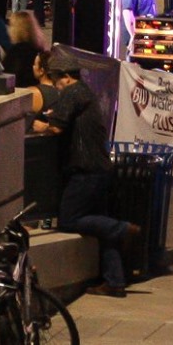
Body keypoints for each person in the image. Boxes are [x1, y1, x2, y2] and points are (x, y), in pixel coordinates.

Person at [30, 51, 129, 296]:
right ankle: (115, 281)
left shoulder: (73, 92)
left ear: (65, 77)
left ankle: (121, 228)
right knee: (101, 228)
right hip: (101, 168)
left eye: (56, 79)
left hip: (85, 170)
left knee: (70, 219)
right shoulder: (85, 92)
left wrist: (35, 123)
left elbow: (54, 127)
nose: (55, 84)